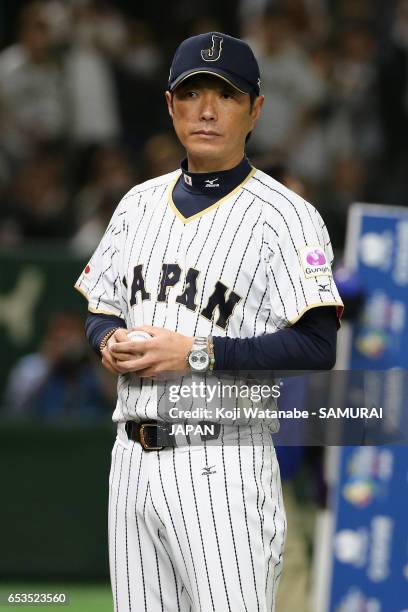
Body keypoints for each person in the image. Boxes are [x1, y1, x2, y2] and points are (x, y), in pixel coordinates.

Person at [75, 32, 344, 612]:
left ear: (255, 110)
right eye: (192, 93)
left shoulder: (287, 216)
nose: (206, 109)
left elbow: (318, 345)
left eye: (225, 95)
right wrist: (109, 338)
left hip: (222, 463)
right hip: (131, 462)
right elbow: (100, 304)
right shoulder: (137, 203)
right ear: (170, 105)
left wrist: (197, 351)